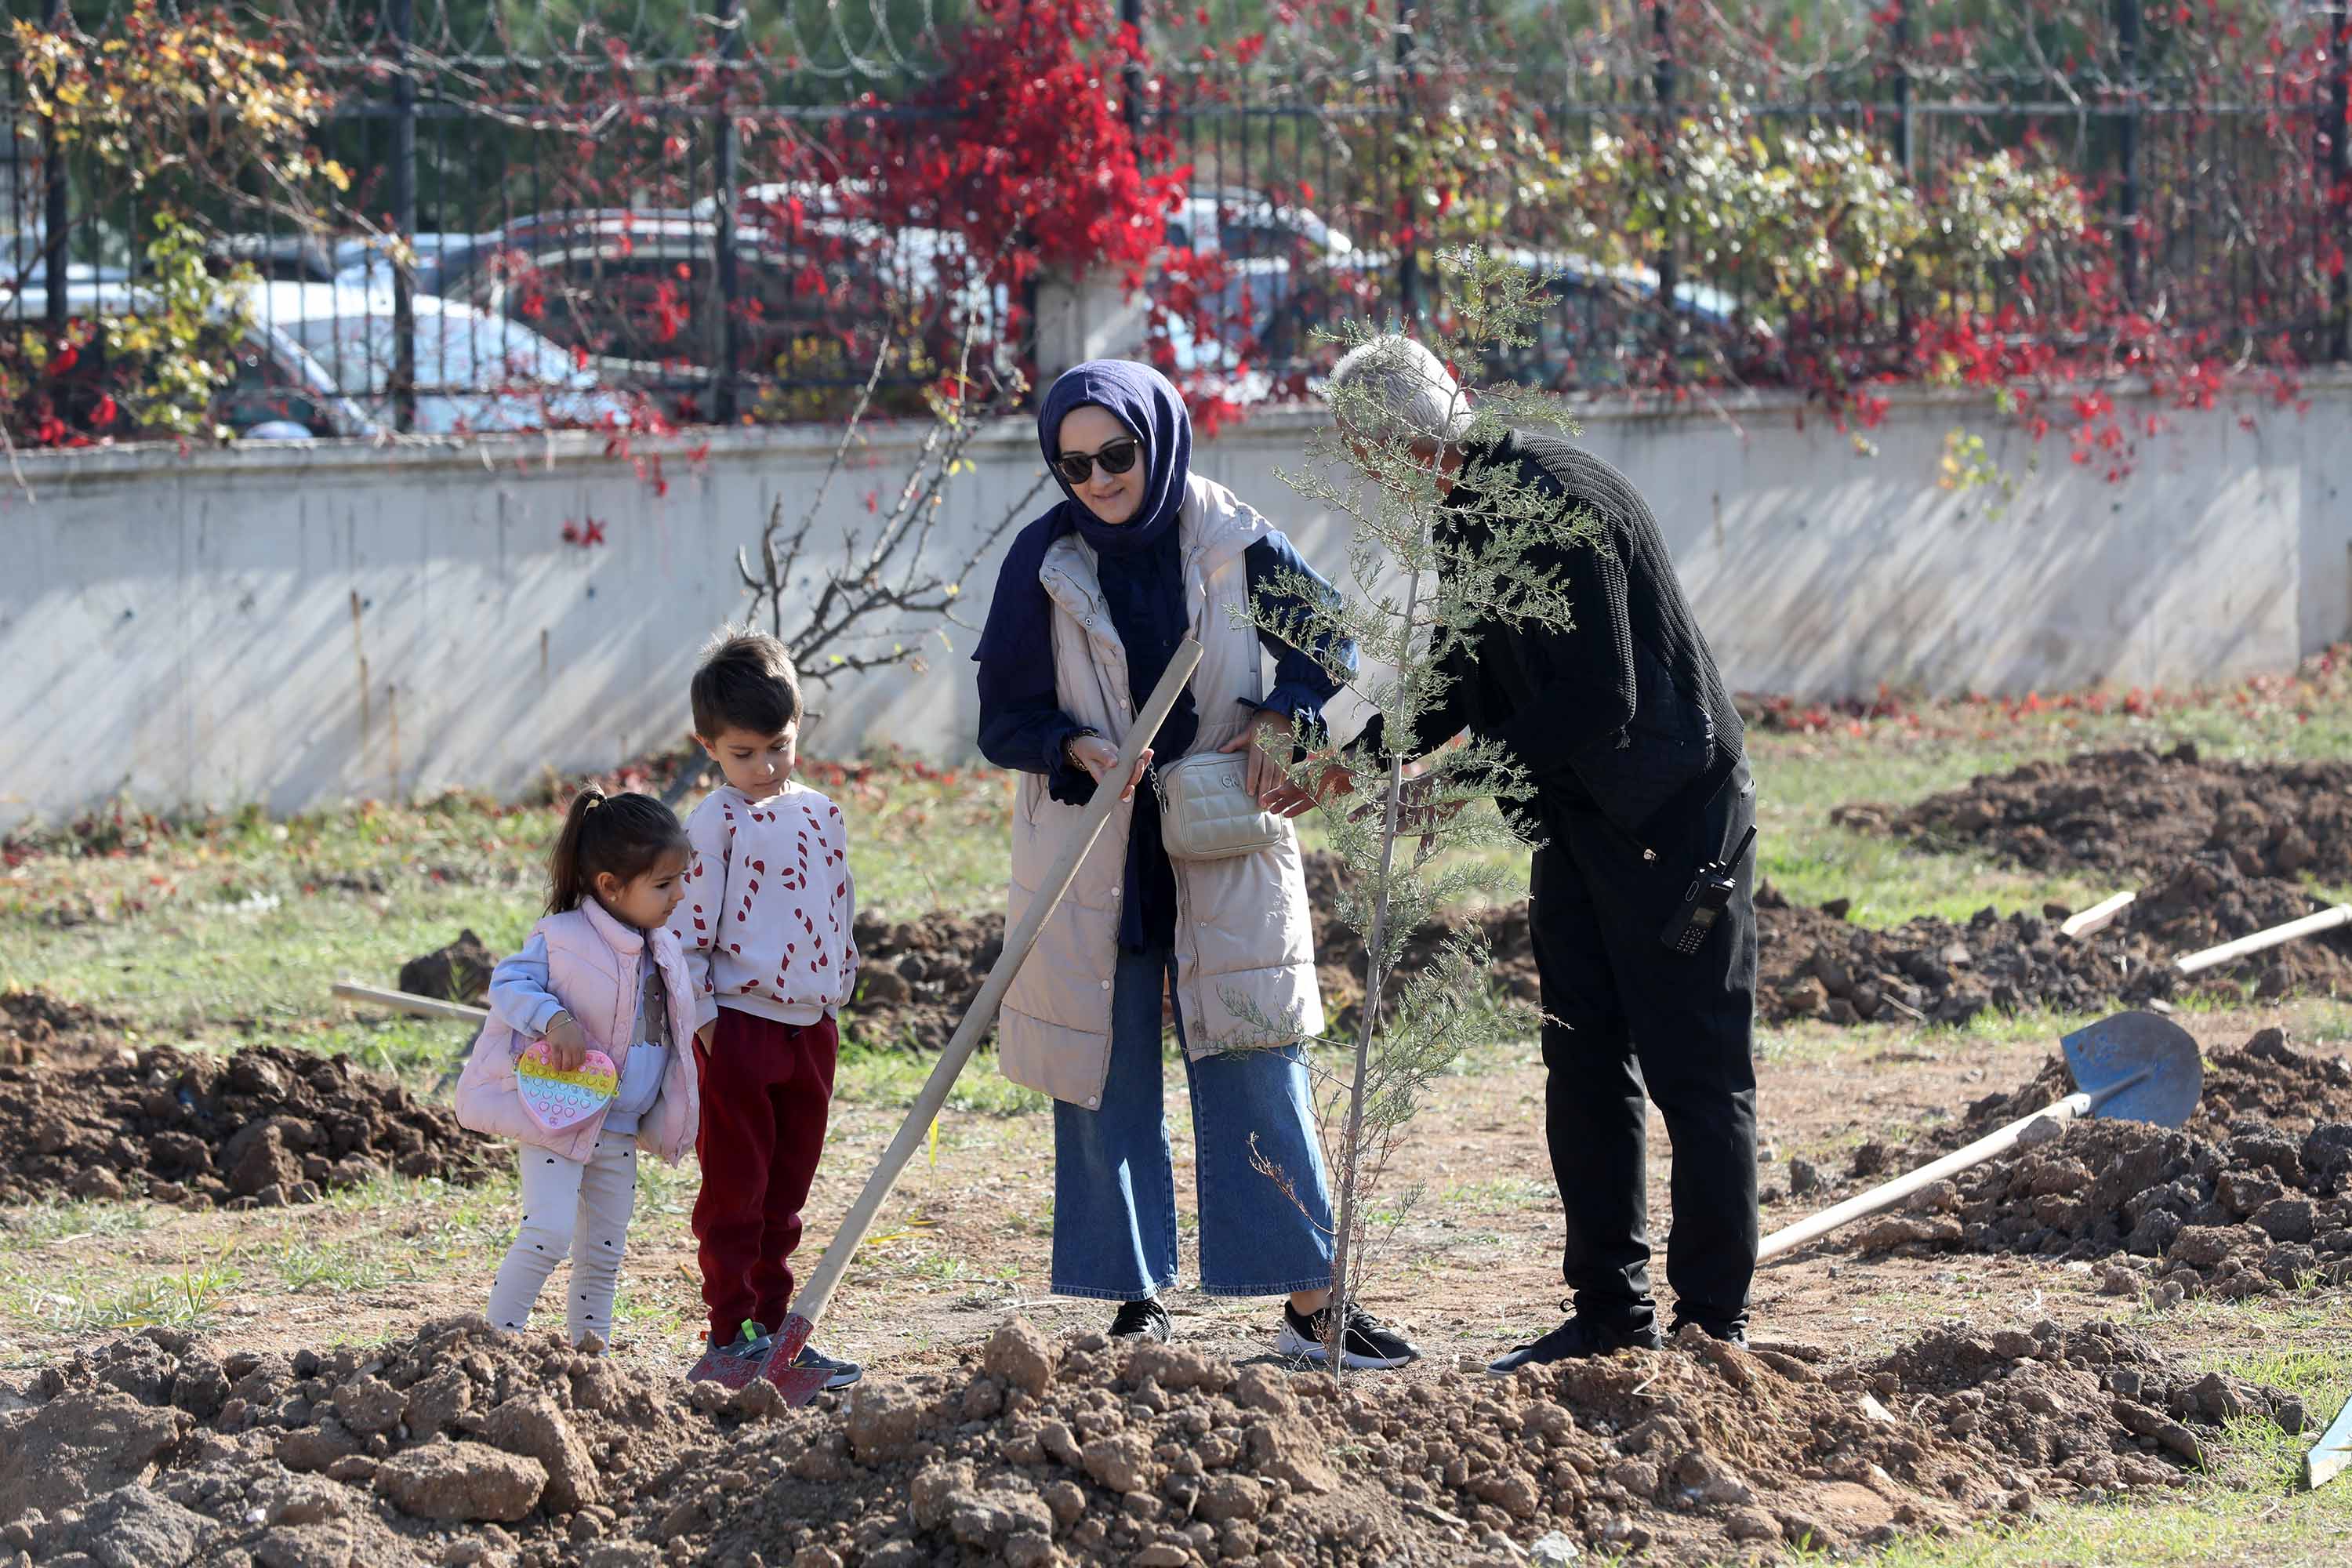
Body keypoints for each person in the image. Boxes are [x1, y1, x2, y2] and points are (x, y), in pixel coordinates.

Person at [973, 358, 1420, 1370]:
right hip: (1096, 840)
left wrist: (1282, 714)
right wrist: (1070, 746)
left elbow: (1331, 654)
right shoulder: (1041, 560)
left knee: (1259, 1053)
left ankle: (1313, 1303)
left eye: (1117, 454)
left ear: (1160, 439)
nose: (1097, 480)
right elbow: (1002, 717)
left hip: (1222, 827)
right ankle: (1135, 1298)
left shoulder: (1235, 537)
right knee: (1102, 1066)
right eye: (1073, 463)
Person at [1324, 336, 1759, 1365]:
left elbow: (1602, 698)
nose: (1364, 472)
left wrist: (1460, 781)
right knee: (1583, 1066)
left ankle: (1712, 1331)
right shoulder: (1474, 504)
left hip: (1671, 828)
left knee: (1695, 1079)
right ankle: (1611, 1318)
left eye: (1362, 450)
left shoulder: (1548, 497)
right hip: (1577, 828)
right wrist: (1353, 755)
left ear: (1400, 443)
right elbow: (1469, 674)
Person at [667, 629, 862, 1389]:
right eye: (744, 752)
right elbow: (685, 936)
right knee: (736, 1191)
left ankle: (779, 1335)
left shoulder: (822, 814)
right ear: (709, 744)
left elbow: (838, 907)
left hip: (809, 1029)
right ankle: (728, 1338)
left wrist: (833, 998)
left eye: (778, 746)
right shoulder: (714, 824)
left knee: (786, 1191)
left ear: (799, 724)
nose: (764, 766)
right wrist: (712, 1026)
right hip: (740, 1026)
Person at [456, 787, 703, 1350]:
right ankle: (498, 1345)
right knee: (548, 1233)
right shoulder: (561, 938)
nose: (679, 895)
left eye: (680, 879)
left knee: (604, 1253)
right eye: (663, 884)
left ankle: (592, 1359)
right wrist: (553, 1019)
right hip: (559, 1116)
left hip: (616, 1124)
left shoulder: (662, 949)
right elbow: (509, 983)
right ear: (610, 887)